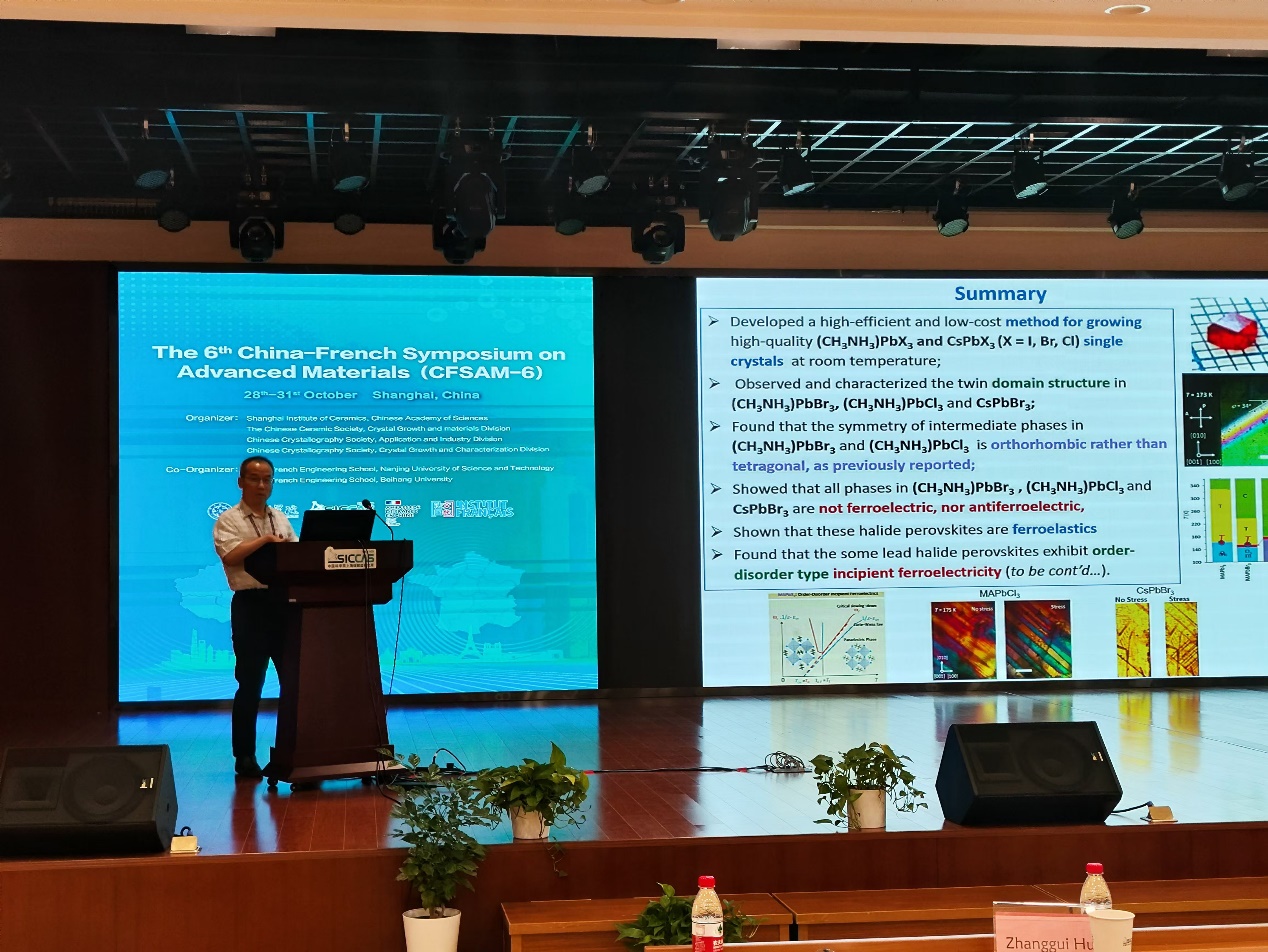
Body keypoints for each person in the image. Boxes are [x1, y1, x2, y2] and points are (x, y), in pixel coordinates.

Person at [213, 456, 297, 778]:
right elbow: (230, 555)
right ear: (241, 482)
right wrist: (264, 540)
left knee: (295, 683)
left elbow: (296, 554)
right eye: (254, 479)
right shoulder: (229, 519)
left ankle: (296, 753)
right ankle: (245, 756)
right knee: (250, 684)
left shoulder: (280, 518)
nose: (261, 485)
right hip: (250, 606)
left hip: (284, 605)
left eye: (267, 479)